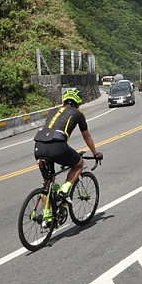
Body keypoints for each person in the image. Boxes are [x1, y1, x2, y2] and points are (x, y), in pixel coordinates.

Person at [33, 89, 100, 222]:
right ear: (78, 104)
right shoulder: (78, 113)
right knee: (79, 163)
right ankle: (64, 190)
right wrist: (95, 154)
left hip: (38, 146)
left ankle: (47, 216)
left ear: (63, 101)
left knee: (47, 184)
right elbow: (87, 137)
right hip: (57, 146)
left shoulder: (52, 111)